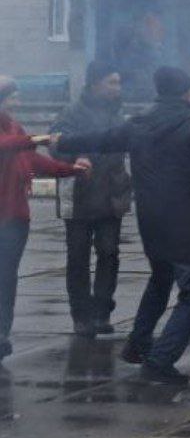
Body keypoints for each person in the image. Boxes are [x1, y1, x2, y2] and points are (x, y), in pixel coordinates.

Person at [56, 66, 190, 386]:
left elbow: (104, 139)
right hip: (183, 221)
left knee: (160, 279)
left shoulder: (139, 123)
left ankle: (138, 345)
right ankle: (161, 360)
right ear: (188, 91)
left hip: (150, 219)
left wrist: (63, 141)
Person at [0, 76, 89, 364]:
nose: (16, 103)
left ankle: (2, 334)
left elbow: (33, 161)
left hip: (15, 218)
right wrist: (38, 139)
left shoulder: (16, 129)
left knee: (7, 277)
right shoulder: (15, 136)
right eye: (11, 97)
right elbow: (7, 145)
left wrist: (71, 169)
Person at [50, 62, 132, 338]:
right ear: (96, 83)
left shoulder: (118, 115)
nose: (117, 88)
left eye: (118, 82)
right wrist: (76, 158)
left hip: (111, 197)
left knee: (109, 253)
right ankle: (81, 316)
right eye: (112, 82)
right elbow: (55, 145)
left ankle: (102, 312)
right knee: (78, 258)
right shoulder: (71, 113)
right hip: (80, 197)